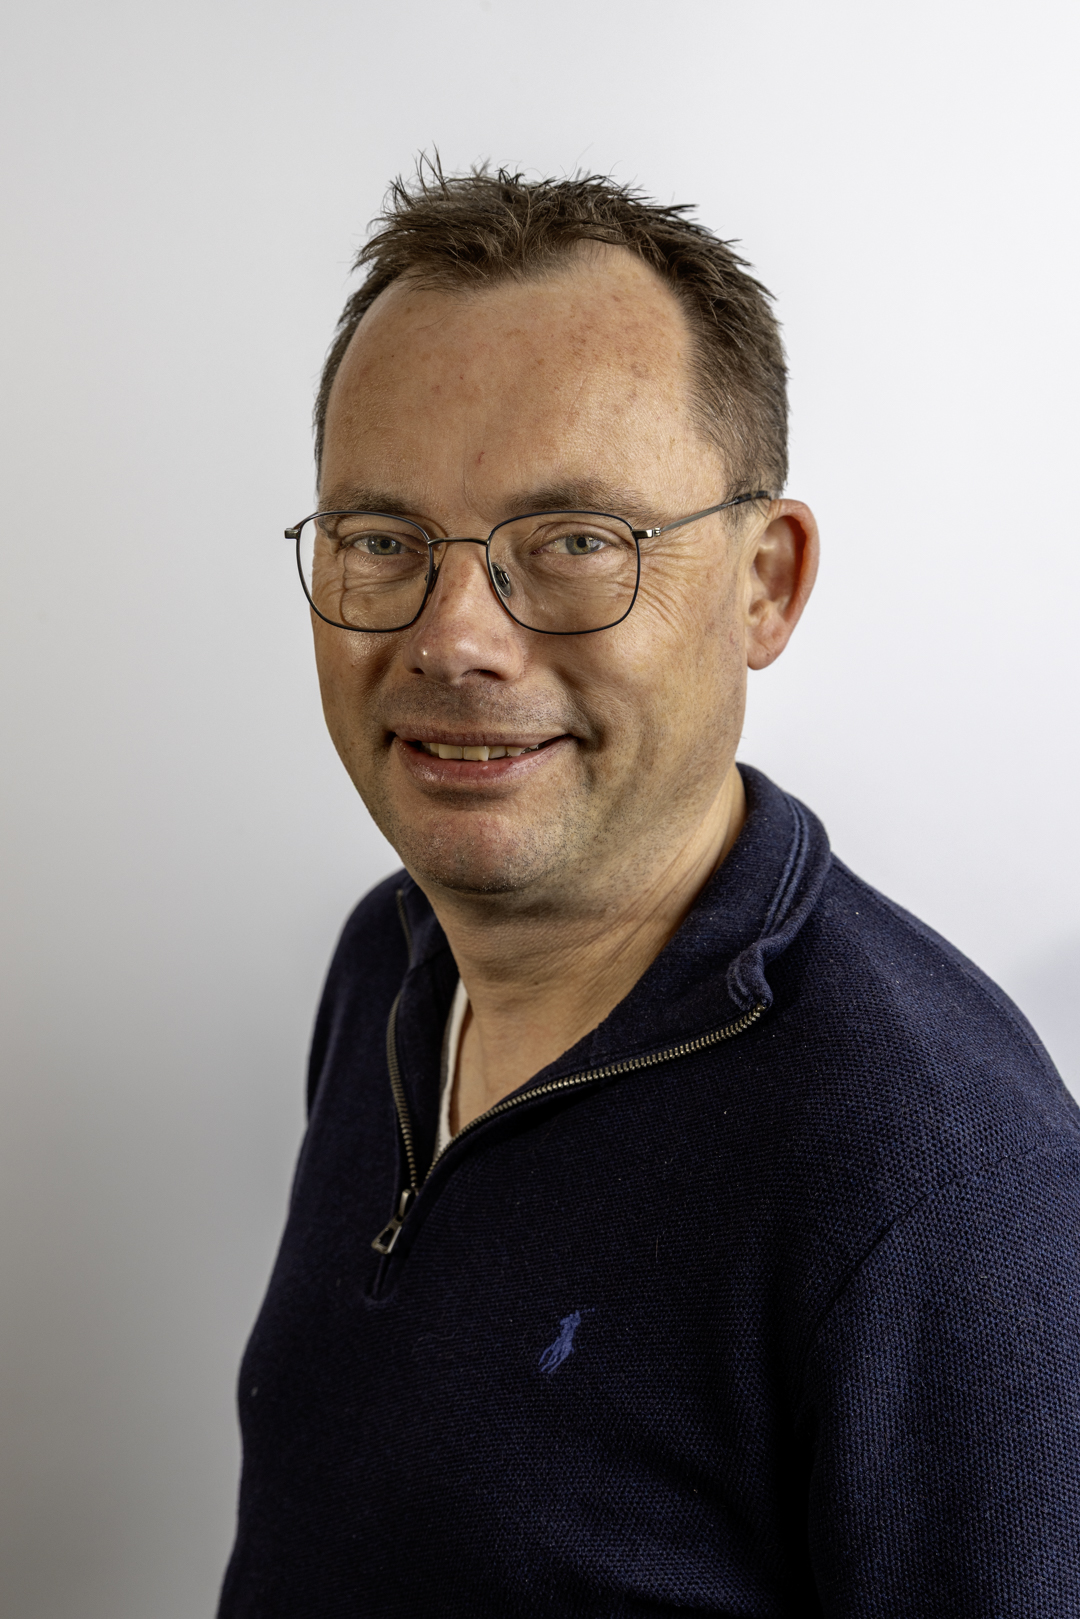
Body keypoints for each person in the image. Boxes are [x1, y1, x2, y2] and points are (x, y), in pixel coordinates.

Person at [218, 167, 1080, 1617]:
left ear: (766, 585)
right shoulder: (391, 962)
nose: (455, 638)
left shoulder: (938, 1179)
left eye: (575, 543)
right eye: (380, 540)